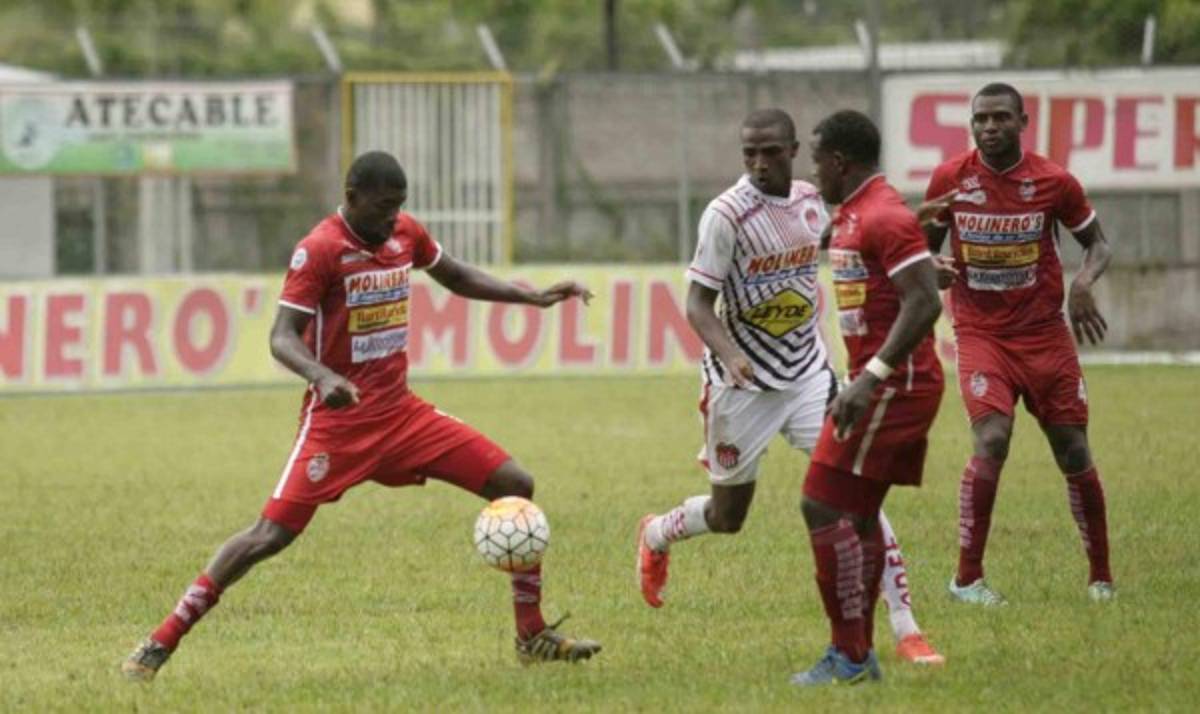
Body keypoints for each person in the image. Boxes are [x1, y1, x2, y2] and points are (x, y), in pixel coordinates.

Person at [121, 151, 601, 682]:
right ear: (351, 198)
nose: (392, 219)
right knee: (267, 537)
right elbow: (282, 336)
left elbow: (456, 275)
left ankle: (531, 636)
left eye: (399, 208)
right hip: (339, 425)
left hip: (402, 416)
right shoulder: (320, 250)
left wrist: (530, 298)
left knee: (515, 484)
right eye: (383, 208)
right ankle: (161, 640)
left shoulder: (404, 235)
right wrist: (322, 378)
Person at [635, 108, 944, 667]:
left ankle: (906, 627)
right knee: (730, 517)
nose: (758, 163)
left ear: (795, 149)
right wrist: (730, 356)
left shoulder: (809, 198)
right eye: (748, 152)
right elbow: (698, 304)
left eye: (770, 152)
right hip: (741, 386)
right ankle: (657, 533)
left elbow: (850, 242)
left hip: (808, 375)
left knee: (856, 491)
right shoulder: (725, 215)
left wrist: (914, 237)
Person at [924, 83, 1114, 606]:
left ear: (1023, 122)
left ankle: (1101, 578)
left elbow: (1097, 242)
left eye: (1001, 118)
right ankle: (967, 580)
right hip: (982, 335)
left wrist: (1081, 284)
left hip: (1045, 335)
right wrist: (932, 270)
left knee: (1073, 448)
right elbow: (920, 253)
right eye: (980, 118)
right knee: (992, 439)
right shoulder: (950, 179)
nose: (989, 127)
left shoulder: (1054, 181)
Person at [791, 110, 945, 686]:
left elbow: (923, 301)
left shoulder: (882, 213)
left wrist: (869, 378)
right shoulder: (858, 212)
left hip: (891, 388)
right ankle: (857, 655)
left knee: (820, 503)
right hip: (887, 384)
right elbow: (898, 276)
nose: (813, 170)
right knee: (855, 517)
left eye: (816, 159)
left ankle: (850, 656)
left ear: (838, 162)